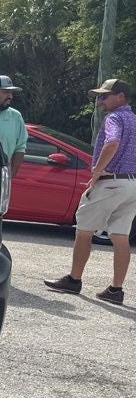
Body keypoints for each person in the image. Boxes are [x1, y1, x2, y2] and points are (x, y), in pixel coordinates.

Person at [44, 78, 136, 305]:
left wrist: (96, 172)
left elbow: (112, 143)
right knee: (121, 236)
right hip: (132, 184)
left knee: (84, 230)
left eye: (104, 96)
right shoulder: (134, 119)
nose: (100, 100)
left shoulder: (114, 118)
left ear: (121, 96)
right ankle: (116, 290)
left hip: (110, 182)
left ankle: (74, 280)